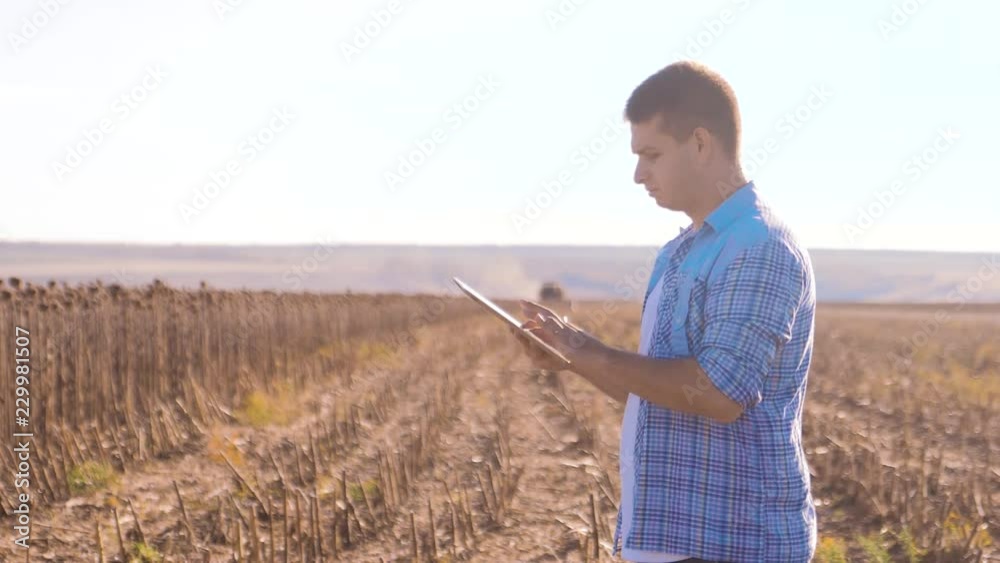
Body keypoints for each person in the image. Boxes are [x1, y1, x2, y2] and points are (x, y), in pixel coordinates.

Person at [511, 61, 817, 563]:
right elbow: (656, 392)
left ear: (700, 144)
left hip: (734, 543)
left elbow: (719, 393)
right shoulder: (679, 252)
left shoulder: (760, 246)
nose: (638, 175)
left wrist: (590, 351)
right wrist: (572, 355)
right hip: (674, 540)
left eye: (651, 155)